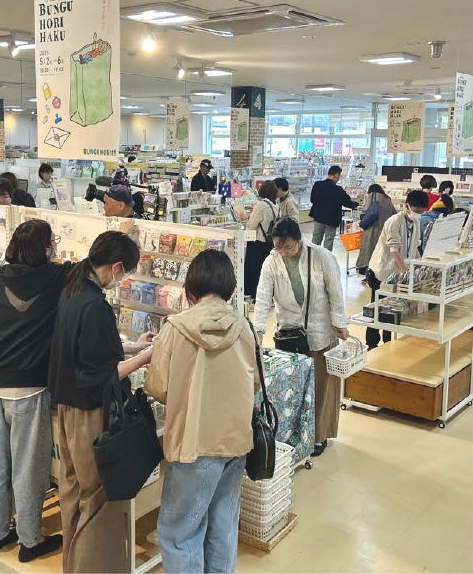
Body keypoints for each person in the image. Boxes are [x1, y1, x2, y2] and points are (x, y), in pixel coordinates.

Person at [146, 250, 259, 574]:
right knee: (222, 528)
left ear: (190, 287)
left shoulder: (176, 328)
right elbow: (253, 383)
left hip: (192, 443)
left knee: (179, 535)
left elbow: (157, 386)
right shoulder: (244, 327)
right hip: (235, 441)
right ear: (229, 286)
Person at [48, 231, 155, 574]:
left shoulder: (74, 289)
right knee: (98, 500)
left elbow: (90, 352)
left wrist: (133, 347)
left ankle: (73, 565)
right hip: (90, 413)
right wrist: (146, 358)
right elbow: (103, 374)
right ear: (117, 266)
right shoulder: (95, 305)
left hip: (67, 408)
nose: (122, 279)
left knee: (73, 490)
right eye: (125, 272)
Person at [0, 220, 66, 562]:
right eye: (52, 242)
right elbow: (91, 267)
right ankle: (30, 540)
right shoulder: (56, 277)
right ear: (44, 248)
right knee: (28, 470)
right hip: (29, 386)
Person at [254, 217, 348, 457]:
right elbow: (263, 297)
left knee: (320, 387)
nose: (283, 252)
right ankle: (292, 436)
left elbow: (335, 292)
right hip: (289, 333)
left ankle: (318, 436)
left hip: (319, 331)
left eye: (288, 247)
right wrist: (258, 331)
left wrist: (340, 323)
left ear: (299, 240)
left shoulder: (320, 256)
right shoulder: (271, 261)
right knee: (292, 388)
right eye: (278, 247)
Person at [366, 190, 428, 350]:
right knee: (377, 309)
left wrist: (421, 264)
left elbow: (415, 246)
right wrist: (407, 272)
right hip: (382, 271)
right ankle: (371, 344)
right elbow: (394, 251)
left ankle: (388, 343)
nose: (419, 214)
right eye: (416, 210)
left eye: (422, 211)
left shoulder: (416, 222)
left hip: (398, 271)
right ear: (407, 206)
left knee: (392, 309)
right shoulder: (394, 222)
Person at [309, 165, 358, 251]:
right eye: (339, 176)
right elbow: (347, 203)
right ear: (336, 175)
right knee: (328, 241)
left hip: (318, 216)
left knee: (316, 240)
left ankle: (312, 257)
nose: (339, 179)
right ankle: (327, 258)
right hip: (331, 219)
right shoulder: (338, 189)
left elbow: (312, 200)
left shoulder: (317, 185)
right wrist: (356, 204)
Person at [244, 180, 279, 300]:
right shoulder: (275, 206)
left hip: (258, 241)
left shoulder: (261, 205)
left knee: (255, 270)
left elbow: (251, 225)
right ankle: (265, 296)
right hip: (269, 242)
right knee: (265, 270)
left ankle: (254, 295)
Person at [356, 184, 397, 276]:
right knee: (379, 251)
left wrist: (362, 218)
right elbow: (394, 213)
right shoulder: (387, 199)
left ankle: (366, 270)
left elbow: (366, 210)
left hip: (372, 228)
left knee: (368, 249)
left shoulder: (372, 196)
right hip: (384, 230)